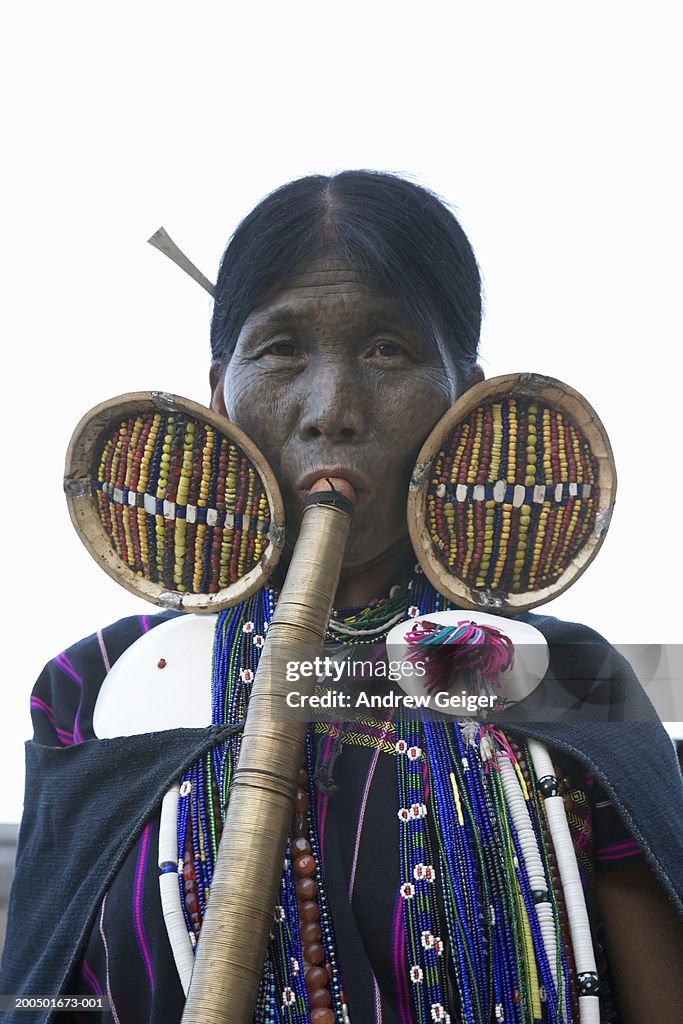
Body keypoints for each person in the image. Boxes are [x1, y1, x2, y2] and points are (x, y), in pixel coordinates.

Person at [2, 171, 682, 1024]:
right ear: (219, 392)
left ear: (464, 394)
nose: (333, 411)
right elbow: (45, 993)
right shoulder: (98, 685)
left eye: (388, 350)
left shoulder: (568, 674)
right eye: (281, 348)